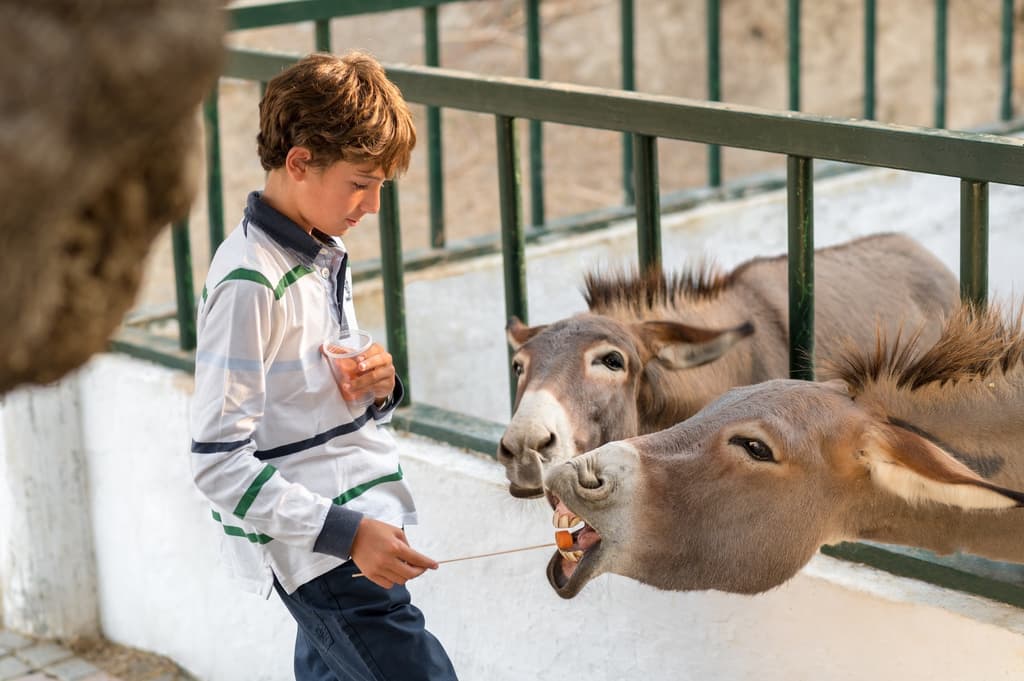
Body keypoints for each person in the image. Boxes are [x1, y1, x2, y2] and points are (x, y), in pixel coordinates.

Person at [189, 51, 458, 681]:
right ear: (300, 160)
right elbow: (216, 462)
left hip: (353, 526)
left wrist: (380, 384)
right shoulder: (250, 281)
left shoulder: (321, 249)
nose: (372, 206)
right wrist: (346, 533)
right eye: (360, 183)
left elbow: (319, 393)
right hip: (325, 552)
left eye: (381, 187)